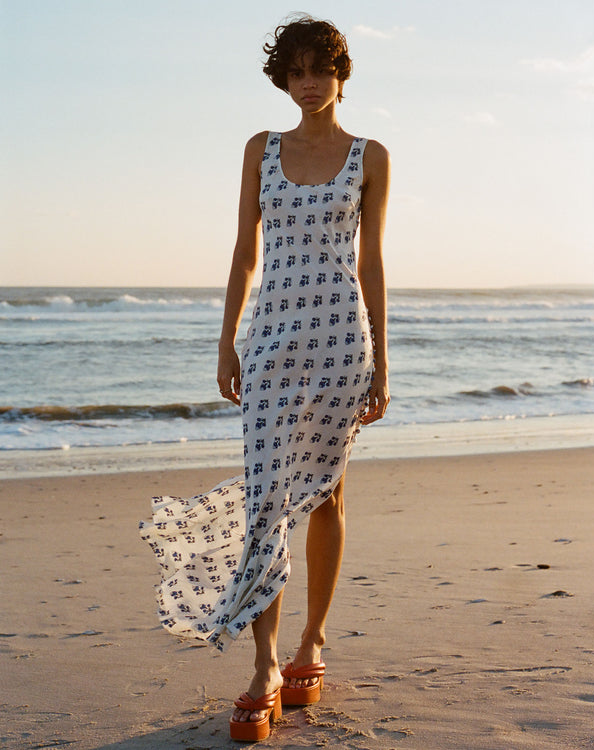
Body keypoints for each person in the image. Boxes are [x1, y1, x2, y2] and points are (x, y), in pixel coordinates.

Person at [140, 14, 390, 743]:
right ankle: (264, 663)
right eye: (296, 71)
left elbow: (372, 260)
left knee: (326, 494)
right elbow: (244, 252)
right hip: (273, 342)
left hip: (341, 340)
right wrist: (227, 340)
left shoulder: (370, 155)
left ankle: (312, 640)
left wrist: (382, 355)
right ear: (283, 78)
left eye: (321, 70)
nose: (309, 84)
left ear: (342, 75)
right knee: (265, 498)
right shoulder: (262, 149)